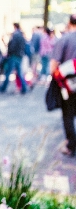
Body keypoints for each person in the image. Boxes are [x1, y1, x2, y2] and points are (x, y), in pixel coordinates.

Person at [50, 14, 76, 157]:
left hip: (68, 86)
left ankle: (71, 145)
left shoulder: (64, 39)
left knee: (68, 115)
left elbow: (53, 66)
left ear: (69, 23)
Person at [0, 23, 28, 94]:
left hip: (14, 56)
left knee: (8, 72)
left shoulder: (15, 35)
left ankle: (3, 87)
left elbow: (12, 46)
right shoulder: (21, 34)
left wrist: (9, 53)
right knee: (19, 73)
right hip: (19, 55)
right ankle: (24, 88)